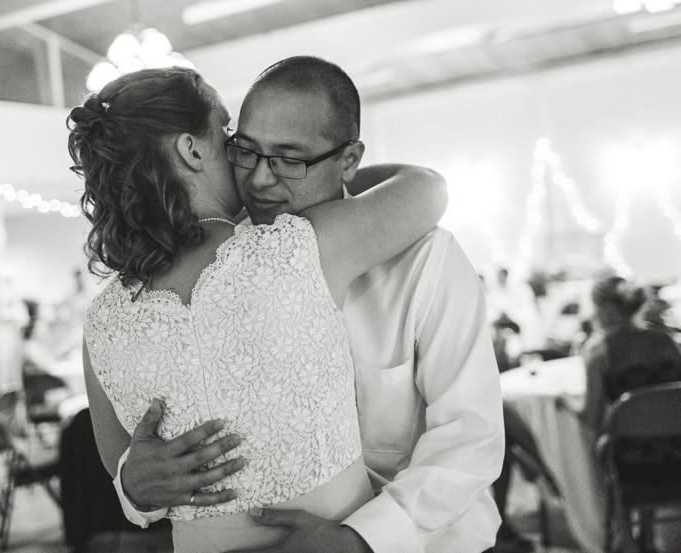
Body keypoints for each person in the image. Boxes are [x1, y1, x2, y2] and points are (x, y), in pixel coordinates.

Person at [114, 57, 504, 553]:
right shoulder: (220, 267)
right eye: (245, 152)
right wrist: (134, 486)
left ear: (349, 159)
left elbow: (471, 434)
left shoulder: (427, 258)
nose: (258, 180)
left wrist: (363, 539)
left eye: (288, 159)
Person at [575, 275, 681, 432]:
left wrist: (564, 402)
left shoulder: (600, 349)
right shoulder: (667, 339)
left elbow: (592, 420)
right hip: (675, 445)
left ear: (601, 308)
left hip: (628, 449)